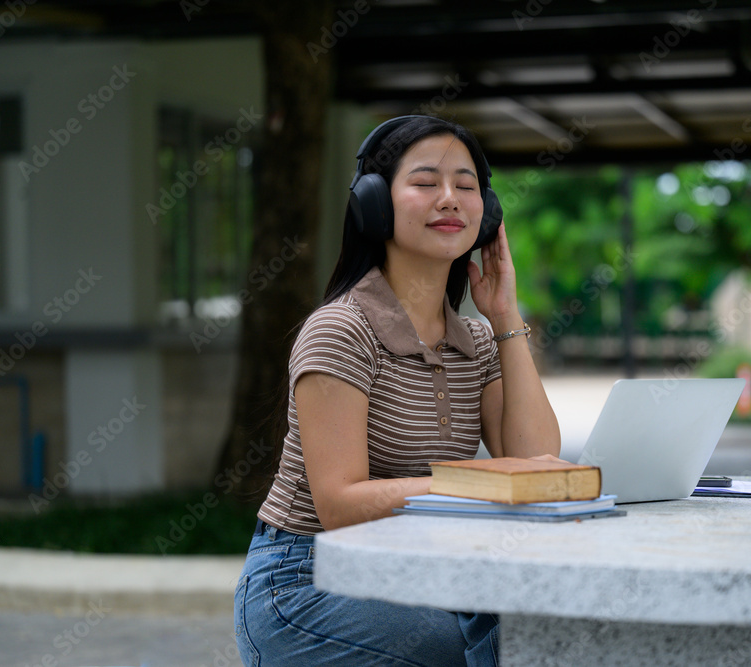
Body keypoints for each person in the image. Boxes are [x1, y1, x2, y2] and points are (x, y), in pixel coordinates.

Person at [234, 115, 561, 666]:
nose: (450, 199)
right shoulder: (342, 330)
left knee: (543, 624)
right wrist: (471, 487)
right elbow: (338, 506)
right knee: (459, 647)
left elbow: (534, 461)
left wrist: (505, 315)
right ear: (375, 204)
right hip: (305, 579)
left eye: (466, 185)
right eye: (426, 182)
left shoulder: (479, 341)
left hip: (418, 575)